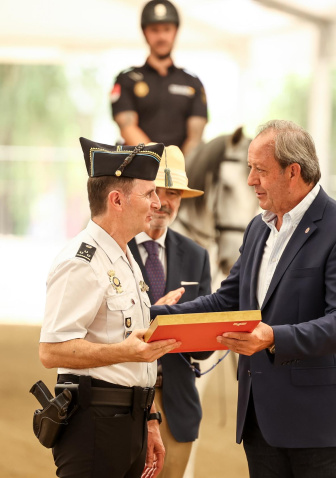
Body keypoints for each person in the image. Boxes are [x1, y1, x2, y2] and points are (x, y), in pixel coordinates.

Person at [152, 120, 336, 477]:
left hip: (320, 429)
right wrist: (156, 315)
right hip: (261, 424)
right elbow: (227, 300)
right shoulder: (259, 228)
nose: (250, 180)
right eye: (249, 169)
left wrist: (272, 337)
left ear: (293, 172)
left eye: (259, 170)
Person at [40, 139, 187, 478]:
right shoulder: (81, 261)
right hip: (94, 426)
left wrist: (149, 422)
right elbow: (51, 351)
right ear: (116, 200)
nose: (157, 203)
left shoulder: (124, 257)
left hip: (129, 424)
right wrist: (124, 352)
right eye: (148, 193)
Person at [127, 145, 211, 478]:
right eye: (155, 191)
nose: (163, 201)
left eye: (172, 192)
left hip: (177, 403)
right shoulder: (114, 249)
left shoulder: (196, 256)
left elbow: (203, 348)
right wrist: (161, 315)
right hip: (125, 400)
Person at [111, 0, 207, 157]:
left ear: (175, 32)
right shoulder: (126, 79)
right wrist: (156, 162)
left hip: (181, 172)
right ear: (145, 33)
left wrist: (176, 169)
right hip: (136, 168)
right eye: (154, 30)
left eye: (167, 29)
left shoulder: (192, 83)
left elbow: (195, 137)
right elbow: (127, 126)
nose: (161, 36)